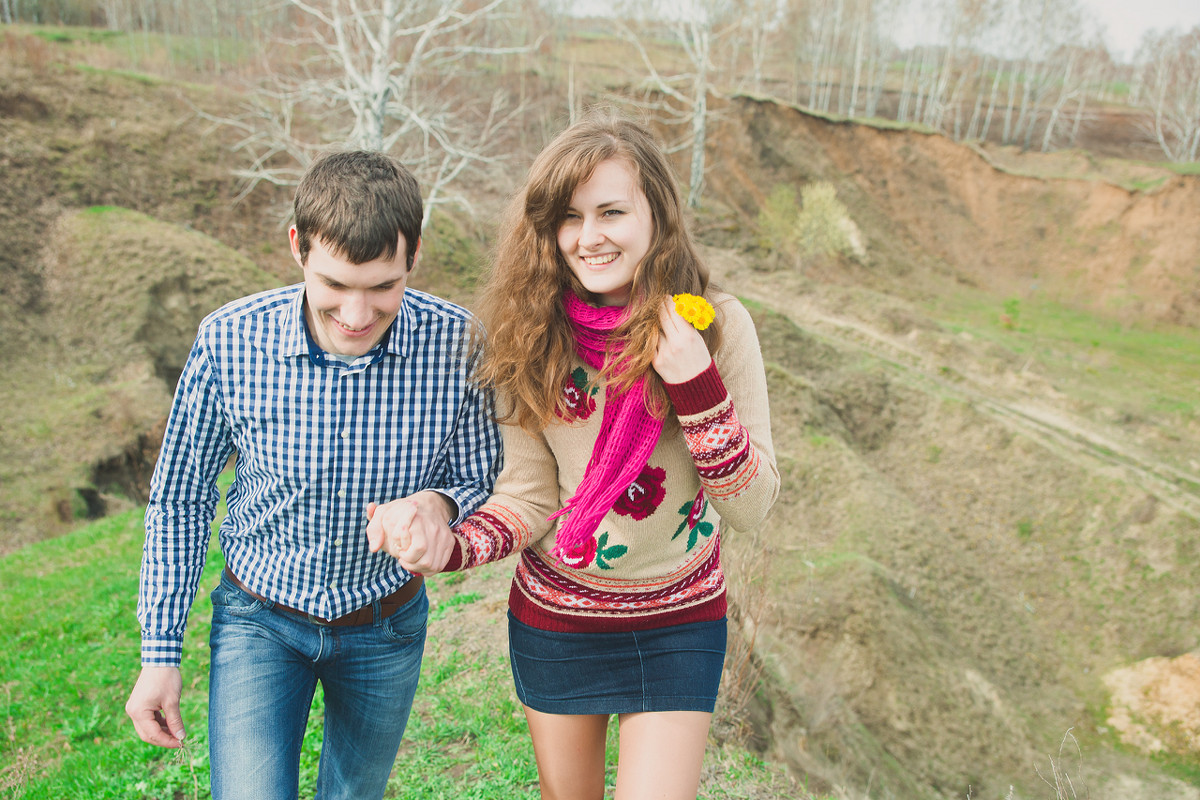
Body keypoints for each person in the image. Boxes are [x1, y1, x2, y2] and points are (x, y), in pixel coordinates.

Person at [370, 112, 779, 800]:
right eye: (568, 218)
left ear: (657, 213)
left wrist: (696, 389)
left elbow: (753, 507)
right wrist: (450, 547)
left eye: (612, 211)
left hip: (680, 618)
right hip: (560, 622)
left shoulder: (717, 325)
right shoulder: (527, 336)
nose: (589, 237)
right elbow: (529, 500)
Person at [124, 149, 501, 800]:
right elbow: (182, 497)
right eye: (335, 285)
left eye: (382, 286)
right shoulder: (229, 340)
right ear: (298, 247)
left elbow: (478, 471)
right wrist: (160, 651)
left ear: (414, 256)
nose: (357, 315)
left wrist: (436, 507)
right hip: (259, 621)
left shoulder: (459, 343)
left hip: (386, 625)